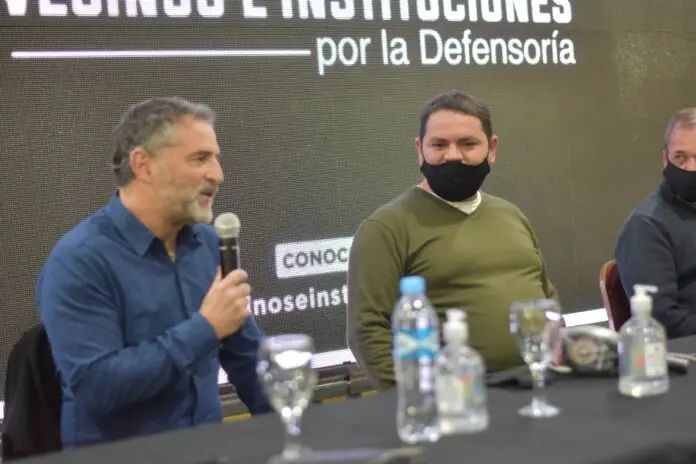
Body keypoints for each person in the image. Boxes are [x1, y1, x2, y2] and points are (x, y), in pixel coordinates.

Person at [36, 97, 272, 448]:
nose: (217, 175)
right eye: (200, 158)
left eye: (215, 158)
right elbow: (98, 387)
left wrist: (310, 435)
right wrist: (205, 329)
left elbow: (248, 359)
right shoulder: (79, 261)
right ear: (144, 165)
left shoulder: (207, 244)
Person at [346, 90, 559, 390]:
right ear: (420, 149)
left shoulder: (511, 215)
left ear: (492, 149)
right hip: (457, 401)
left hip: (541, 384)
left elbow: (546, 297)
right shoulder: (385, 228)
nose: (453, 156)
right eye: (439, 145)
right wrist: (422, 400)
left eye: (468, 144)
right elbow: (368, 331)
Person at [615, 108, 696, 338]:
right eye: (680, 157)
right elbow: (662, 320)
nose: (691, 168)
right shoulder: (646, 227)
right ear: (665, 159)